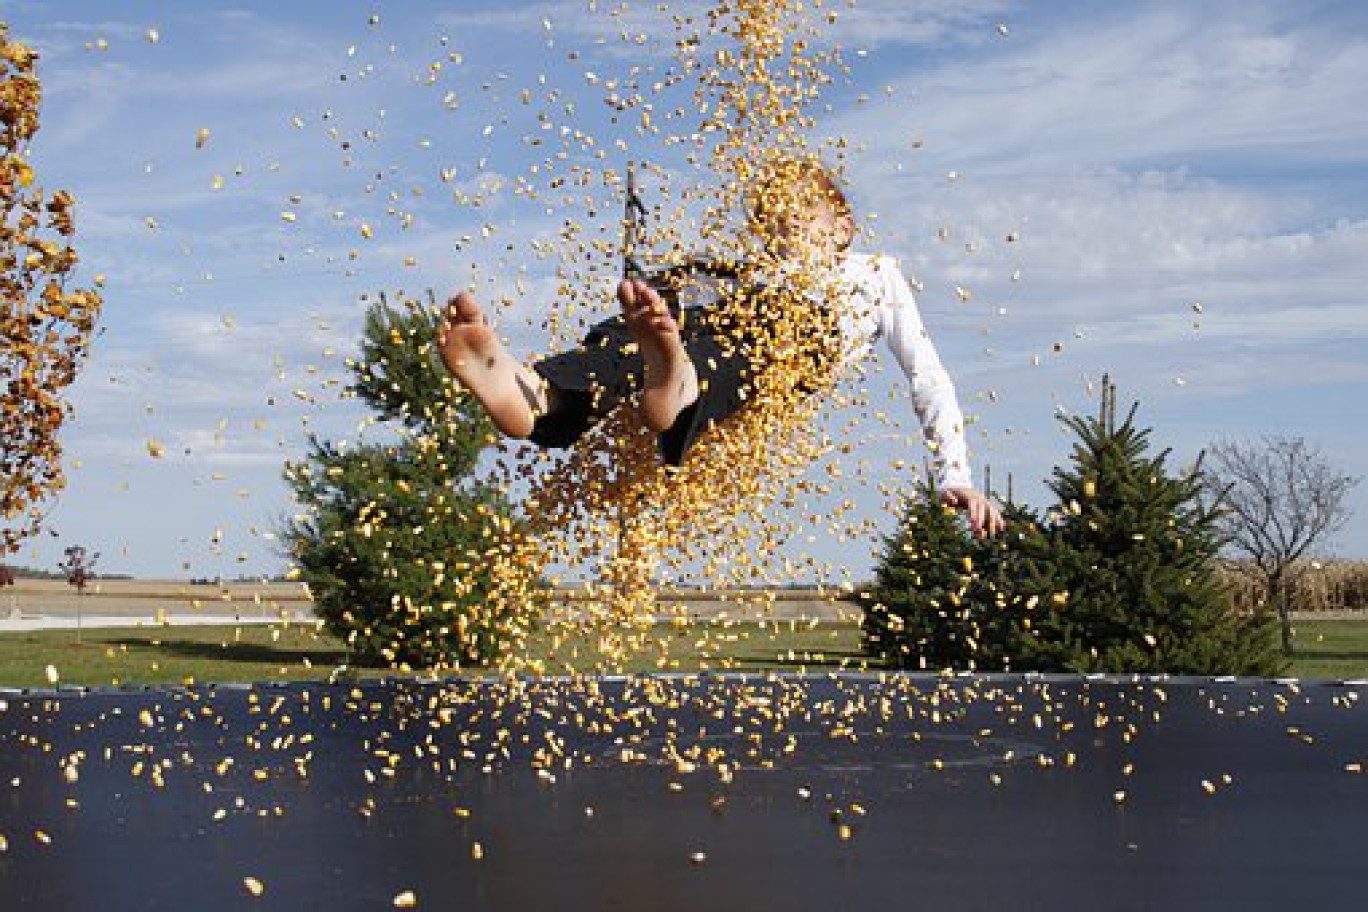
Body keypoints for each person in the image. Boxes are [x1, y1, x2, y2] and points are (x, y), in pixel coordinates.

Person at [437, 156, 1004, 536]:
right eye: (771, 229)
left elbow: (926, 375)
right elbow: (689, 288)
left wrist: (955, 475)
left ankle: (678, 380)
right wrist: (654, 293)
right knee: (638, 329)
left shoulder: (875, 274)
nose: (784, 238)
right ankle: (540, 393)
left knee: (735, 353)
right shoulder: (750, 271)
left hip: (800, 342)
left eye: (797, 221)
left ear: (841, 225)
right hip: (733, 316)